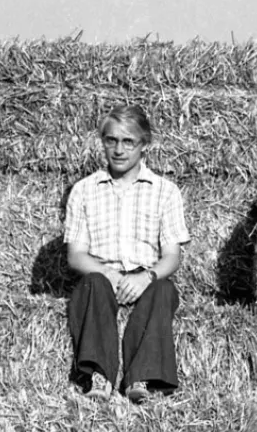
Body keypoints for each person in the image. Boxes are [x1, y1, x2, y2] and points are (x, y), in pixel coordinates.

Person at [64, 104, 191, 404]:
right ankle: (100, 376)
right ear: (103, 142)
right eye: (111, 140)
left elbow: (172, 256)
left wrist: (145, 278)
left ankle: (140, 378)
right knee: (93, 284)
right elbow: (75, 255)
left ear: (144, 144)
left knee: (164, 290)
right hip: (101, 277)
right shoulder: (83, 190)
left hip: (145, 277)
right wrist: (110, 275)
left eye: (128, 141)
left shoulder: (165, 191)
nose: (119, 150)